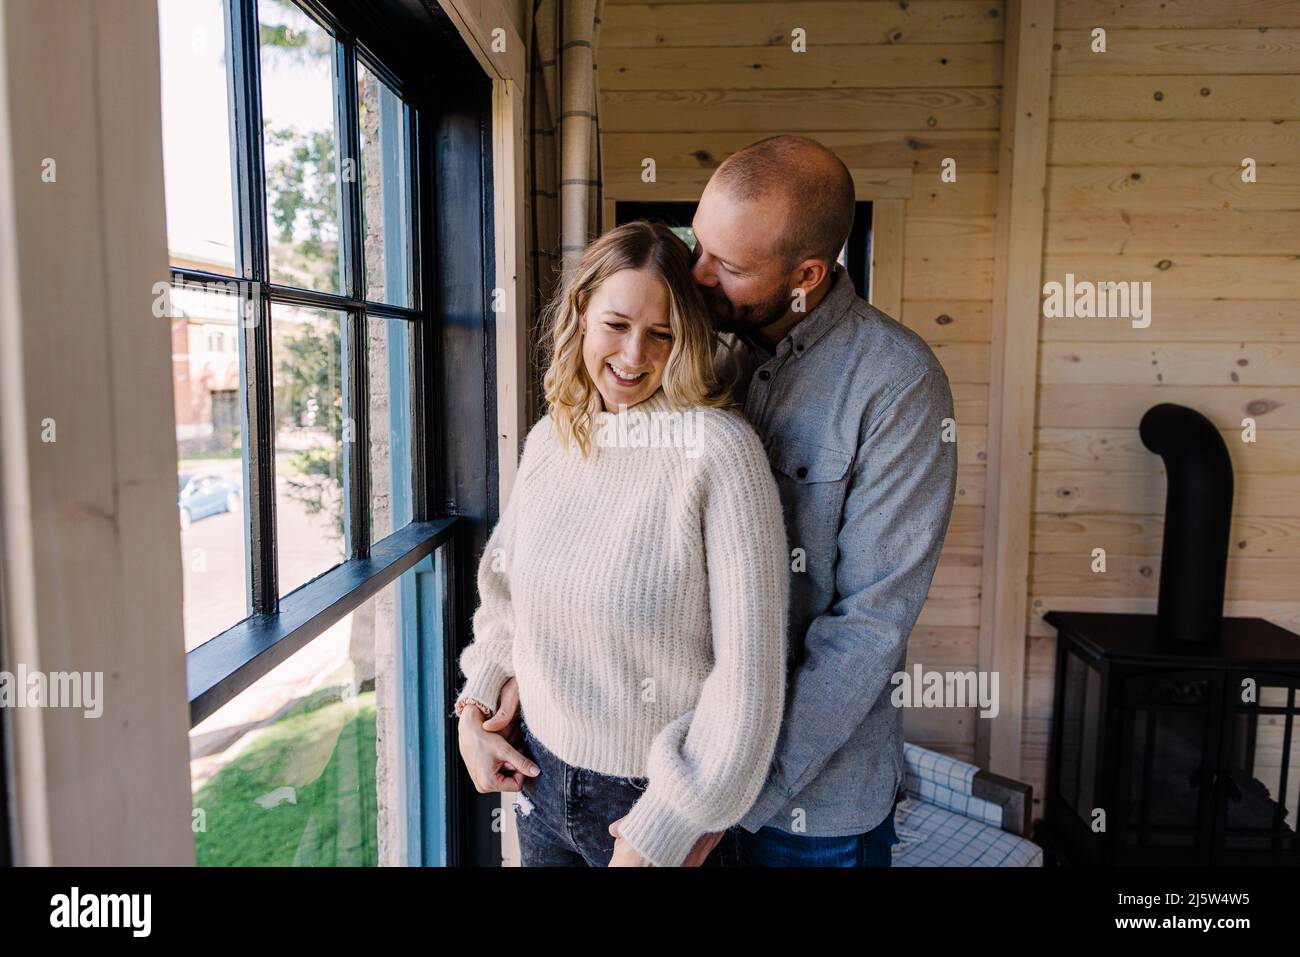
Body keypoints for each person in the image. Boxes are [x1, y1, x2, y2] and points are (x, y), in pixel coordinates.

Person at [453, 221, 790, 867]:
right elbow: (505, 604)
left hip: (652, 805)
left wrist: (670, 821)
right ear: (580, 314)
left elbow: (748, 677)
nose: (634, 356)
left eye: (661, 333)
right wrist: (476, 707)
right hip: (539, 777)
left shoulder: (718, 452)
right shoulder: (552, 440)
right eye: (616, 323)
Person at [689, 134, 958, 866]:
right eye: (699, 245)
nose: (699, 277)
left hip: (815, 811)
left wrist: (744, 791)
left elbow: (868, 624)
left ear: (806, 274)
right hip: (683, 769)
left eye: (730, 266)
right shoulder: (696, 347)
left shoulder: (898, 383)